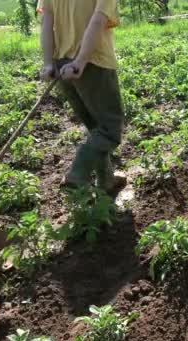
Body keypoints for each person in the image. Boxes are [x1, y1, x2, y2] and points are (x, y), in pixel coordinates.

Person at [39, 0, 126, 196]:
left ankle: (106, 180)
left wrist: (47, 63)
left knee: (95, 128)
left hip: (61, 65)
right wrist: (80, 61)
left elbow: (47, 22)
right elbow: (97, 21)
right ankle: (77, 175)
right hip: (91, 63)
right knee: (109, 129)